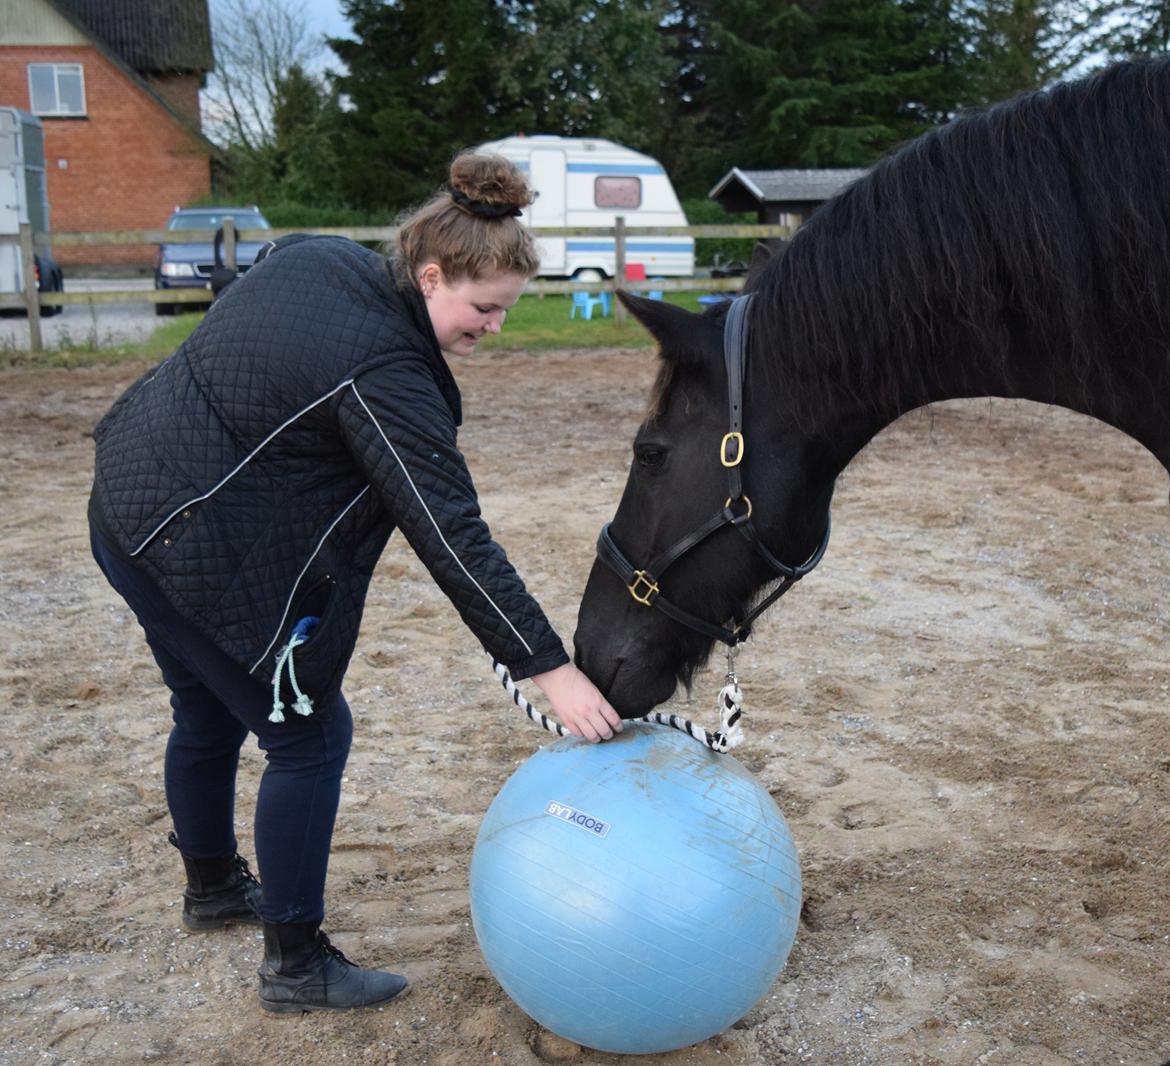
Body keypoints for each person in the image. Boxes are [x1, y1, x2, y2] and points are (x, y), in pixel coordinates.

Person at [87, 152, 623, 1014]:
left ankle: (215, 888)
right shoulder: (390, 378)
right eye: (484, 309)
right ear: (431, 274)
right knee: (310, 738)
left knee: (206, 709)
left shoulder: (315, 255)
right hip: (189, 551)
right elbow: (451, 534)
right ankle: (296, 965)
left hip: (126, 508)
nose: (494, 328)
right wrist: (546, 667)